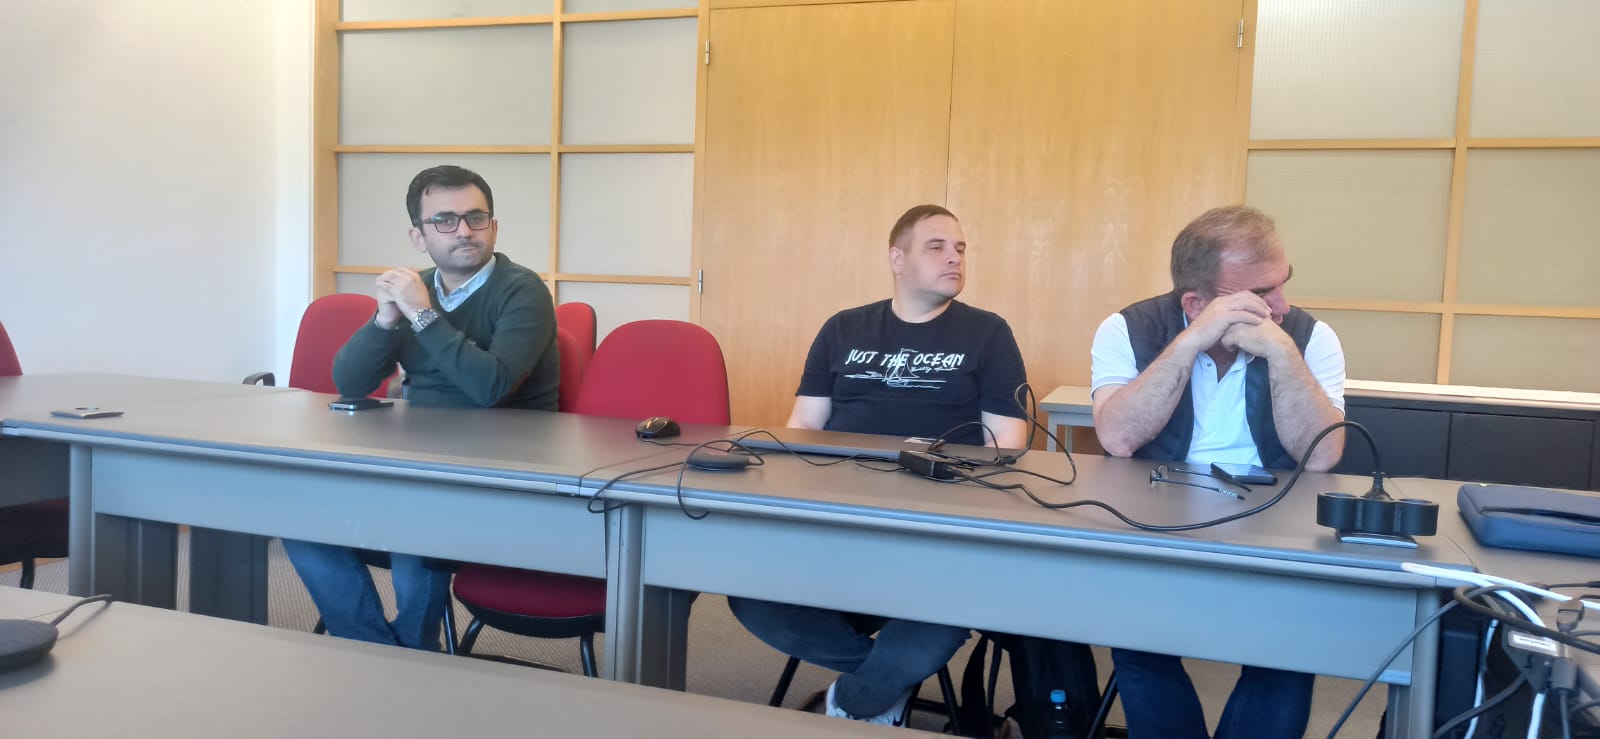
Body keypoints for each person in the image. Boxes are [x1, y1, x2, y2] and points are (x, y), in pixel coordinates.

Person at [728, 204, 1030, 727]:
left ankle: (853, 699)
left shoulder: (988, 334)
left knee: (946, 614)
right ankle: (883, 680)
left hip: (937, 531)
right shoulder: (844, 328)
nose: (954, 258)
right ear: (897, 258)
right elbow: (803, 427)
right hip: (842, 520)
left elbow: (1007, 442)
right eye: (937, 246)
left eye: (960, 249)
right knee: (749, 594)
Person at [1089, 205, 1346, 738]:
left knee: (1288, 654)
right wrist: (1189, 344)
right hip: (1157, 523)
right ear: (1196, 303)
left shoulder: (1310, 336)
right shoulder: (1127, 329)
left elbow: (1322, 456)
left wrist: (1284, 356)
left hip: (1276, 527)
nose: (1283, 305)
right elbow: (1118, 438)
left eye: (1284, 283)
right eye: (1263, 294)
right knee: (1137, 643)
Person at [283, 164, 560, 650]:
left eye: (476, 218)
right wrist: (385, 319)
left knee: (414, 526)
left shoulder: (523, 291)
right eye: (445, 220)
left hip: (504, 468)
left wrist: (422, 313)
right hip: (419, 460)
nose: (465, 231)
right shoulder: (418, 292)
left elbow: (490, 388)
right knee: (298, 520)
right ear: (419, 236)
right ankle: (383, 655)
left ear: (494, 227)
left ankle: (411, 659)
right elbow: (349, 382)